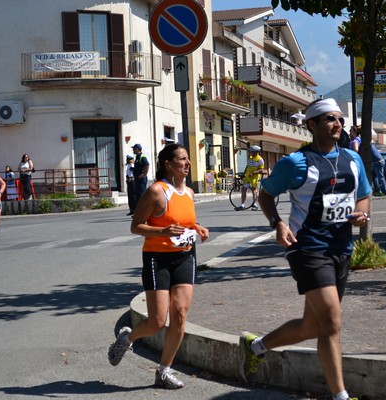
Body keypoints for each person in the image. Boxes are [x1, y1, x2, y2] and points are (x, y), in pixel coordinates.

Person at [238, 98, 371, 400]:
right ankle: (340, 396)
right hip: (307, 248)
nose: (337, 124)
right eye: (329, 120)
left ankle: (255, 346)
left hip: (341, 247)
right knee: (331, 322)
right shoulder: (295, 163)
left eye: (339, 119)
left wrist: (362, 214)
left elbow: (363, 194)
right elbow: (266, 195)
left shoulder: (352, 159)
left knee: (313, 325)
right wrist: (278, 224)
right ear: (312, 125)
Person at [108, 143, 209, 389]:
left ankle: (164, 371)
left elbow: (185, 222)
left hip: (185, 256)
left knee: (181, 315)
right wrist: (162, 230)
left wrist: (197, 228)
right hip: (157, 259)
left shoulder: (190, 192)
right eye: (183, 159)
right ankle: (128, 337)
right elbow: (136, 226)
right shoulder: (156, 192)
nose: (188, 163)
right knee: (156, 321)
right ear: (168, 164)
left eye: (187, 159)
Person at [234, 145, 265, 211]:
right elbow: (247, 166)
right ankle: (242, 205)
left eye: (251, 152)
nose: (250, 153)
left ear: (256, 152)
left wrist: (253, 173)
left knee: (254, 190)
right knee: (243, 189)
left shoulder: (260, 159)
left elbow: (261, 170)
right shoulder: (250, 158)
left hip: (254, 177)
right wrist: (243, 173)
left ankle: (255, 205)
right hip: (247, 176)